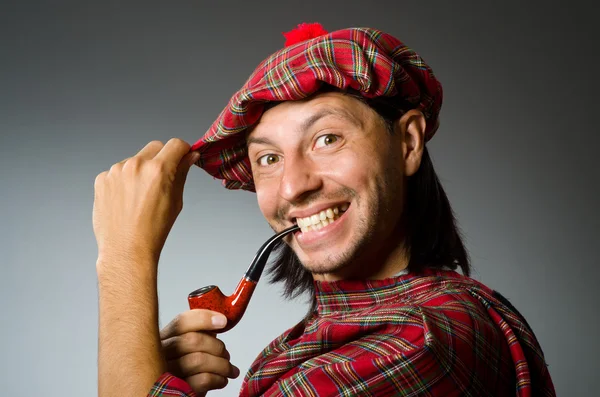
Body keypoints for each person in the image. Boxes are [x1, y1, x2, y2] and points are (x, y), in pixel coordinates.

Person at [93, 23, 556, 396]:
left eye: (327, 139)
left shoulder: (418, 343)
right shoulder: (348, 331)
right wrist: (155, 375)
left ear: (408, 143)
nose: (294, 186)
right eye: (268, 159)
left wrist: (124, 255)